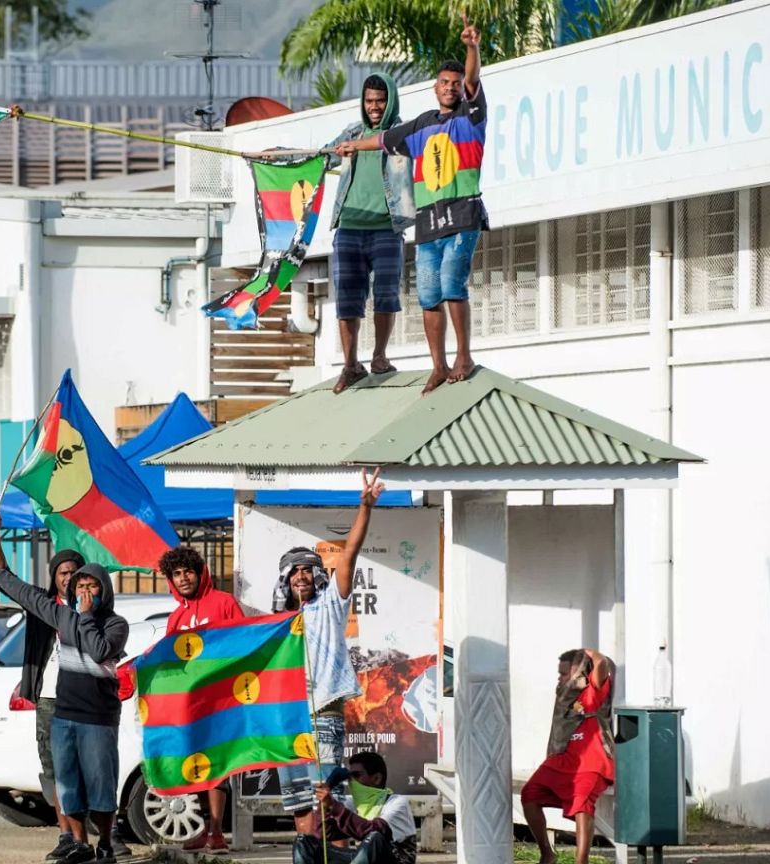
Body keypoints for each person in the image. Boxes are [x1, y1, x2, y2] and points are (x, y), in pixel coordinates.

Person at [335, 16, 487, 395]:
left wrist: (472, 47)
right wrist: (354, 145)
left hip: (463, 214)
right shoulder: (420, 125)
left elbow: (472, 80)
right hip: (428, 223)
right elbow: (384, 138)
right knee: (428, 294)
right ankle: (438, 366)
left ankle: (462, 357)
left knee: (453, 281)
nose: (451, 88)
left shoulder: (471, 118)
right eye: (444, 83)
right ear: (435, 89)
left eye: (456, 84)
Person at [0, 510, 129, 864]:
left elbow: (99, 650)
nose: (81, 590)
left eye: (90, 585)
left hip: (97, 717)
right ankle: (76, 841)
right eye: (77, 585)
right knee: (66, 783)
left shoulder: (115, 623)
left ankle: (107, 843)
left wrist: (83, 617)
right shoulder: (59, 612)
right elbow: (21, 591)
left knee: (99, 786)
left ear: (103, 590)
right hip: (61, 712)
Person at [273, 468, 385, 837]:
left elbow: (349, 554)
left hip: (323, 714)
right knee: (299, 806)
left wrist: (365, 508)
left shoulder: (331, 605)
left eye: (307, 571)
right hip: (289, 720)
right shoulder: (279, 623)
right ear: (286, 582)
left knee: (326, 803)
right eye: (294, 573)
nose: (301, 577)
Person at [322, 70, 407, 394]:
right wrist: (335, 152)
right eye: (369, 101)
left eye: (380, 101)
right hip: (349, 226)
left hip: (387, 226)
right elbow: (325, 157)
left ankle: (380, 357)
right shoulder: (352, 131)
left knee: (386, 294)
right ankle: (350, 364)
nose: (374, 107)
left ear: (390, 101)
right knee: (347, 298)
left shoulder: (400, 131)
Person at [161, 545, 245, 853]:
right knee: (194, 766)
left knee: (217, 765)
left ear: (200, 573)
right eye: (177, 574)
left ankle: (217, 833)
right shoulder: (175, 617)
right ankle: (205, 830)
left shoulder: (224, 603)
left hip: (220, 701)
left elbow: (243, 645)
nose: (183, 579)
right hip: (188, 705)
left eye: (188, 572)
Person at [13, 540, 86, 862]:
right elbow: (7, 580)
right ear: (54, 577)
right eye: (62, 573)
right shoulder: (42, 604)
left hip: (82, 701)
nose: (67, 578)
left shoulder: (92, 610)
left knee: (82, 770)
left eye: (73, 572)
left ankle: (96, 837)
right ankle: (65, 834)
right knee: (53, 770)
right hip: (47, 700)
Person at [521, 649, 616, 864]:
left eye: (564, 674)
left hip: (591, 761)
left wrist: (589, 652)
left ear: (581, 674)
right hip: (561, 759)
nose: (560, 678)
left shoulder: (593, 690)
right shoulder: (564, 695)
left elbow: (602, 666)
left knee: (582, 800)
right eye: (559, 673)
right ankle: (547, 853)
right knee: (530, 794)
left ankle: (581, 860)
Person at [294, 751, 418, 864]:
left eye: (357, 775)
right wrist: (326, 799)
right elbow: (323, 834)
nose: (352, 781)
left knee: (374, 838)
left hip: (394, 860)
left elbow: (372, 830)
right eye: (349, 776)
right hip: (365, 859)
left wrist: (333, 806)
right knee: (304, 842)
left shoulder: (397, 803)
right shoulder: (353, 803)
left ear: (376, 778)